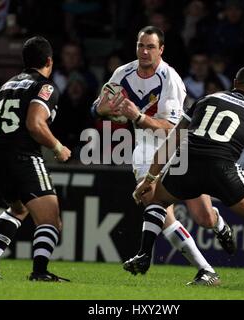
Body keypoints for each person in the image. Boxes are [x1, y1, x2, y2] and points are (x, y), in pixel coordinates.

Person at [91, 26, 235, 286]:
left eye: (150, 47)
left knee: (203, 217)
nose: (144, 52)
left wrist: (138, 116)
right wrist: (102, 108)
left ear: (161, 50)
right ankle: (206, 271)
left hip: (176, 147)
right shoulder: (122, 73)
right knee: (156, 205)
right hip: (144, 148)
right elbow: (98, 106)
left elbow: (173, 129)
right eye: (140, 46)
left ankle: (218, 223)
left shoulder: (170, 79)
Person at [130, 65, 244, 290]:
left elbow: (172, 139)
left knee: (158, 201)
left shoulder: (206, 99)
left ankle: (143, 254)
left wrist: (150, 178)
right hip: (223, 168)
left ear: (234, 81)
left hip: (187, 163)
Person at [0, 36, 72, 282]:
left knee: (19, 209)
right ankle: (39, 272)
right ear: (49, 60)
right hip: (23, 156)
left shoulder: (7, 85)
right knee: (50, 219)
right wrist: (58, 147)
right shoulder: (45, 86)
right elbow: (35, 124)